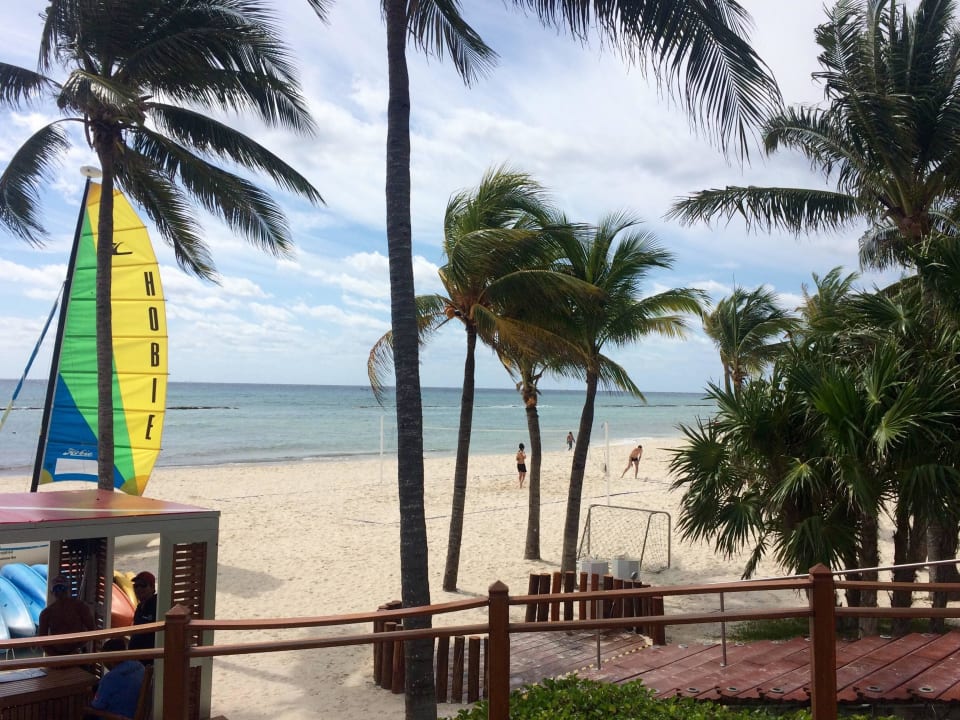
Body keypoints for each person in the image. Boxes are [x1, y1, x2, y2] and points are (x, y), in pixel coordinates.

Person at [86, 637, 145, 719]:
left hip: (117, 716)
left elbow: (97, 706)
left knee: (87, 712)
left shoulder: (110, 678)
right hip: (133, 712)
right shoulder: (140, 667)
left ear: (109, 657)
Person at [37, 575, 95, 655]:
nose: (60, 592)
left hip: (79, 652)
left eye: (62, 588)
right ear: (52, 592)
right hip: (57, 655)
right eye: (56, 589)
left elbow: (92, 630)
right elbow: (42, 641)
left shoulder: (80, 607)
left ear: (69, 590)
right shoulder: (46, 614)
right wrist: (56, 656)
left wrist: (79, 648)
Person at [128, 571, 158, 662]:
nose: (139, 589)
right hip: (136, 658)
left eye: (143, 585)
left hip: (149, 659)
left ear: (152, 587)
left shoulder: (157, 605)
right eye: (136, 586)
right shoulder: (139, 607)